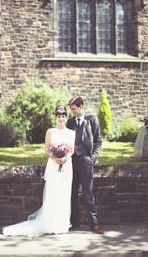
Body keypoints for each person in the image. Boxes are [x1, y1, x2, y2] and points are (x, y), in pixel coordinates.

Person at [2, 105, 75, 238]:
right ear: (55, 117)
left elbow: (72, 150)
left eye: (63, 116)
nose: (61, 118)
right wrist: (54, 157)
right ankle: (50, 224)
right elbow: (47, 149)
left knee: (64, 193)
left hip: (66, 166)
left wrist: (64, 157)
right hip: (53, 165)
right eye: (58, 116)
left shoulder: (71, 133)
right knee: (53, 193)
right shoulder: (50, 132)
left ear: (66, 117)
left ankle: (62, 224)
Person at [66, 96, 104, 234]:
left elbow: (98, 140)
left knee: (88, 193)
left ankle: (94, 224)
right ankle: (73, 222)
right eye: (71, 109)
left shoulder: (92, 120)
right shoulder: (70, 122)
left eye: (74, 109)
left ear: (81, 106)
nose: (72, 112)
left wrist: (92, 158)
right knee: (72, 193)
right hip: (71, 162)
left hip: (86, 161)